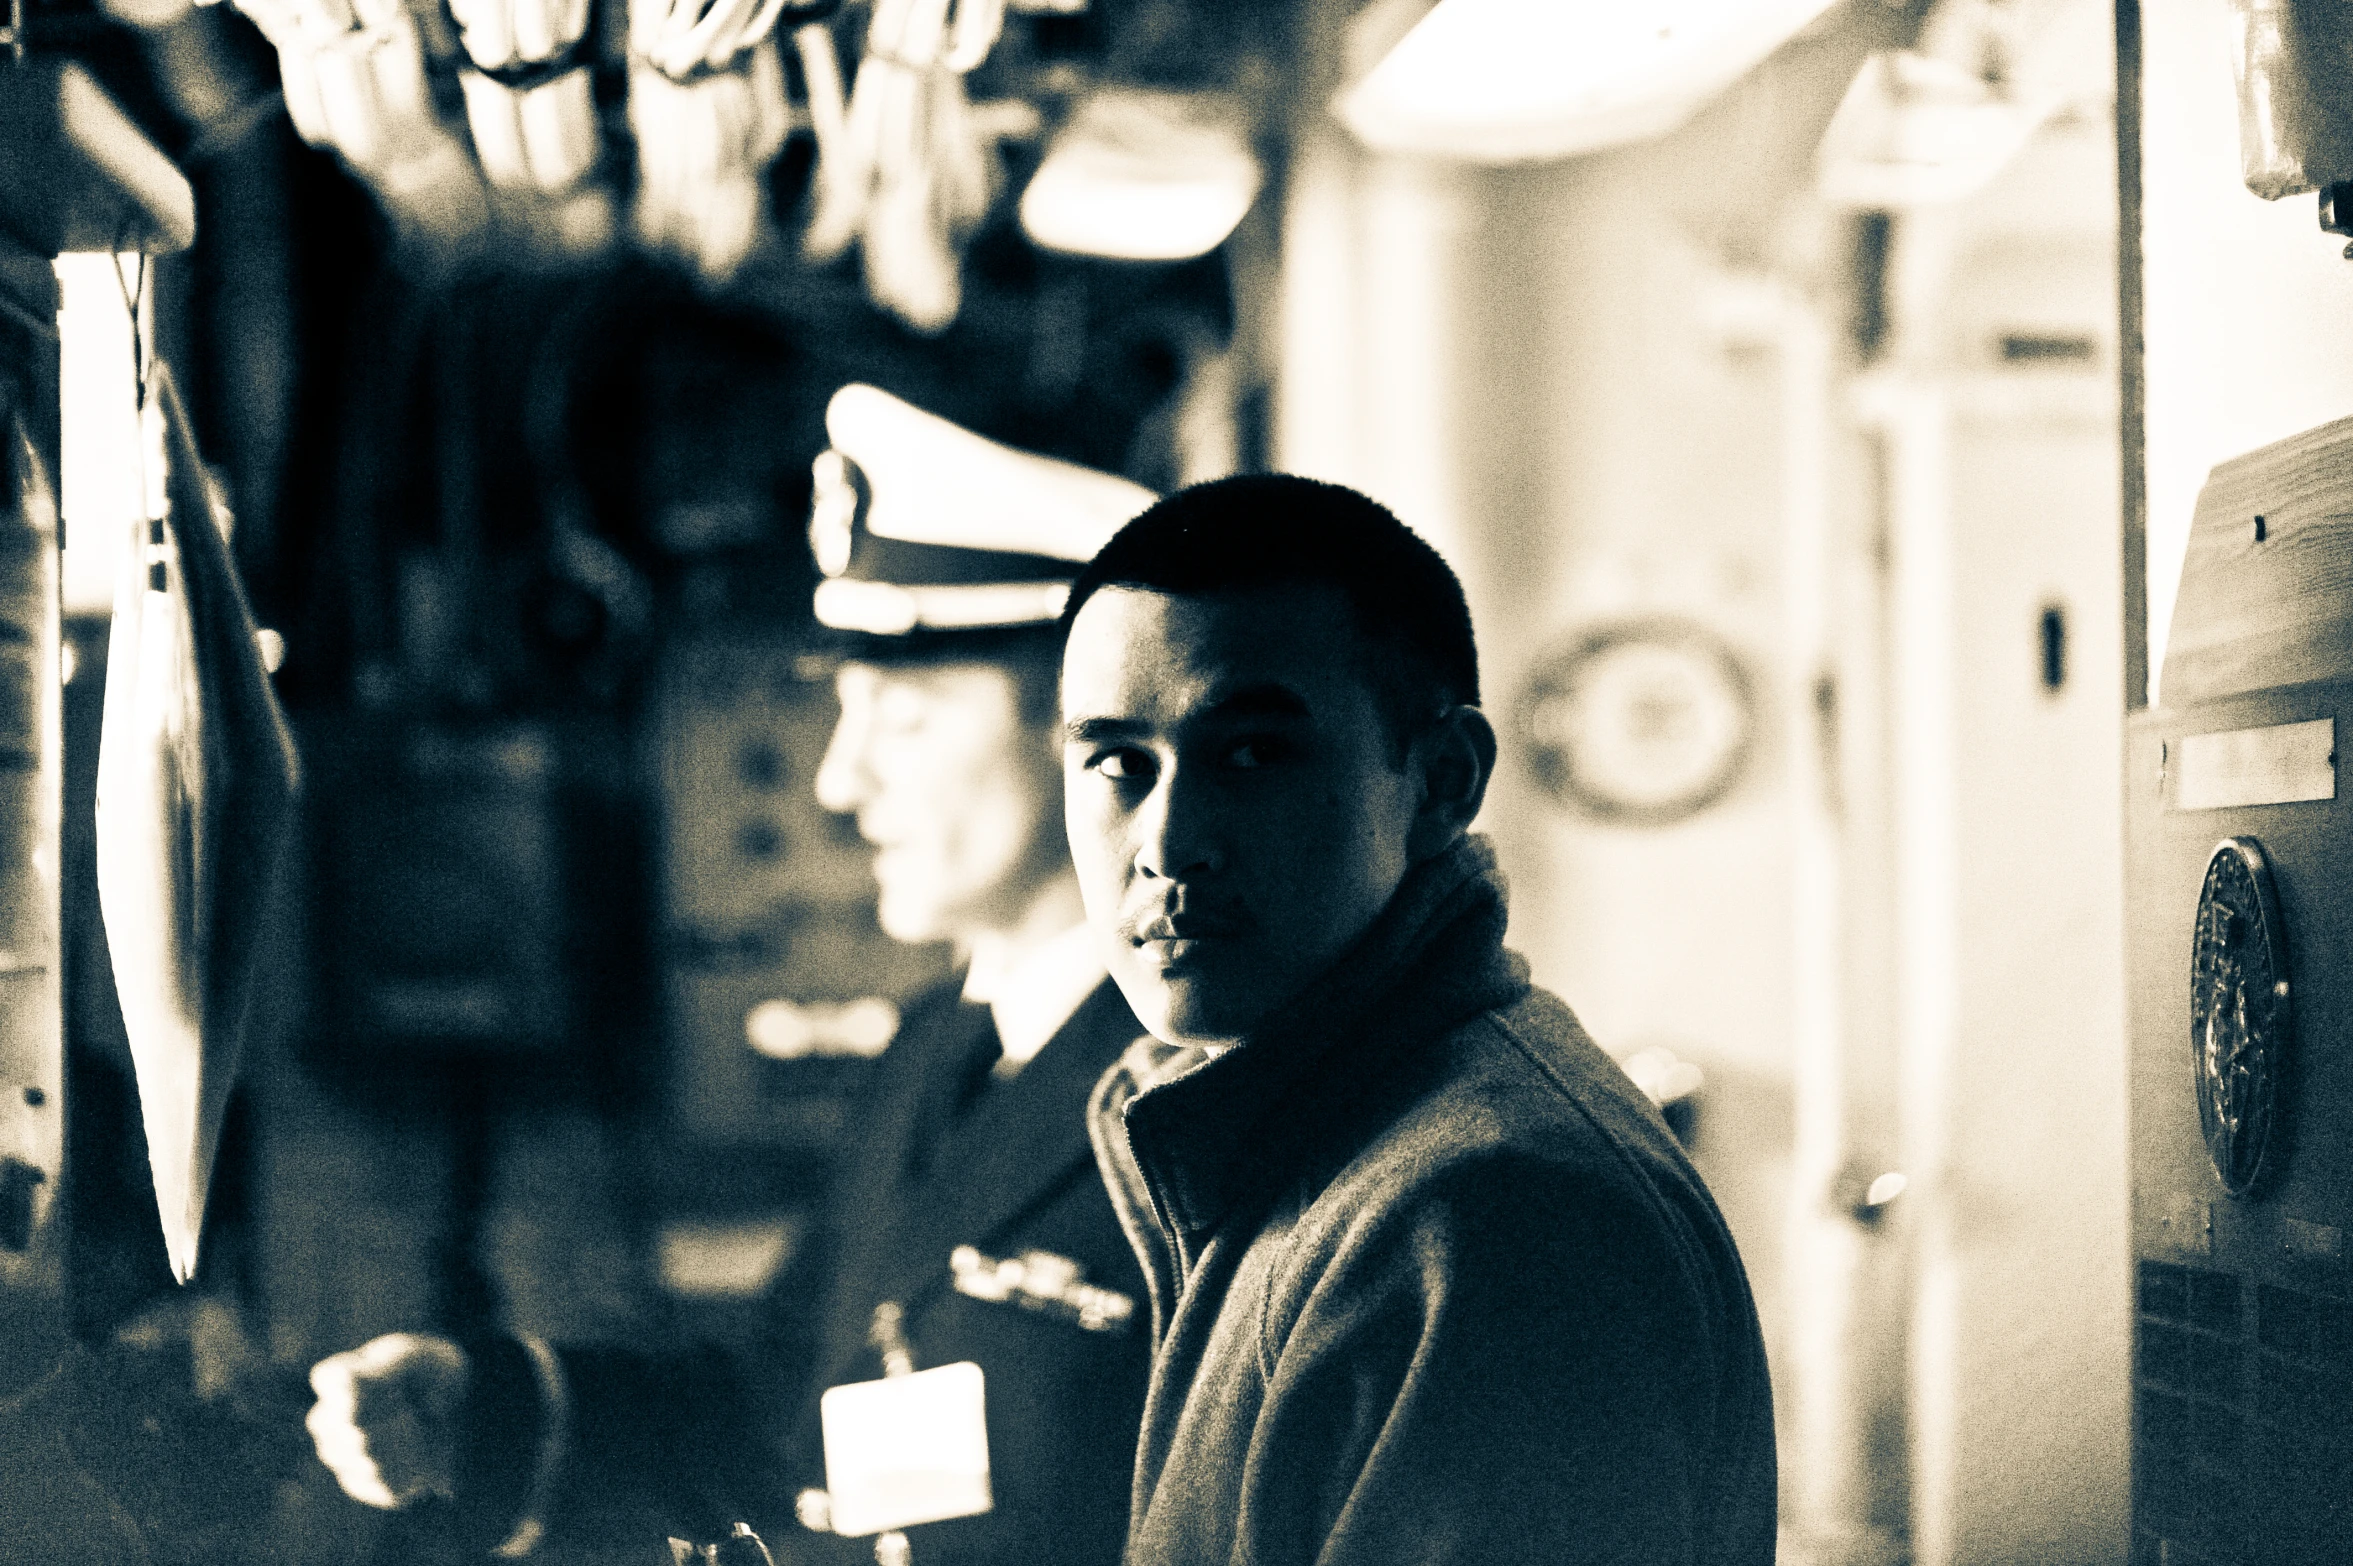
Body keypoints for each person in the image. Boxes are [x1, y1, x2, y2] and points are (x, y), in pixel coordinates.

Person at [305, 384, 1160, 1565]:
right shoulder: (942, 1049)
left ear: (1094, 740)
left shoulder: (1204, 1093)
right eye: (840, 713)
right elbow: (791, 1419)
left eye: (901, 719)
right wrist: (484, 1412)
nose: (839, 784)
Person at [1054, 474, 1778, 1565]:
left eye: (1251, 754)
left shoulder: (1491, 1215)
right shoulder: (1292, 1136)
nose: (1168, 841)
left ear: (1442, 781)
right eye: (1118, 764)